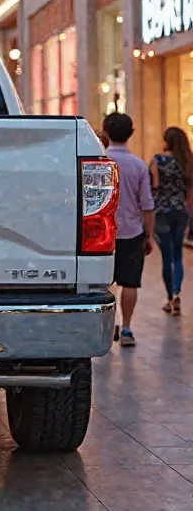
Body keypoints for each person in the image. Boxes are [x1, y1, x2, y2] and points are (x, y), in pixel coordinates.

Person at [103, 113, 155, 347]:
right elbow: (147, 205)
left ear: (105, 133)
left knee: (102, 283)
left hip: (101, 233)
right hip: (132, 232)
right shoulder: (139, 165)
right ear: (131, 134)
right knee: (130, 282)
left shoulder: (99, 160)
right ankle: (126, 328)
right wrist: (149, 235)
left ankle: (106, 327)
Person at [149, 127, 193, 315]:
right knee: (178, 256)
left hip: (161, 212)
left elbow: (155, 186)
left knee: (167, 257)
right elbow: (189, 191)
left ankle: (169, 298)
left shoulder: (157, 160)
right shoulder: (188, 161)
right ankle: (176, 293)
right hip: (180, 211)